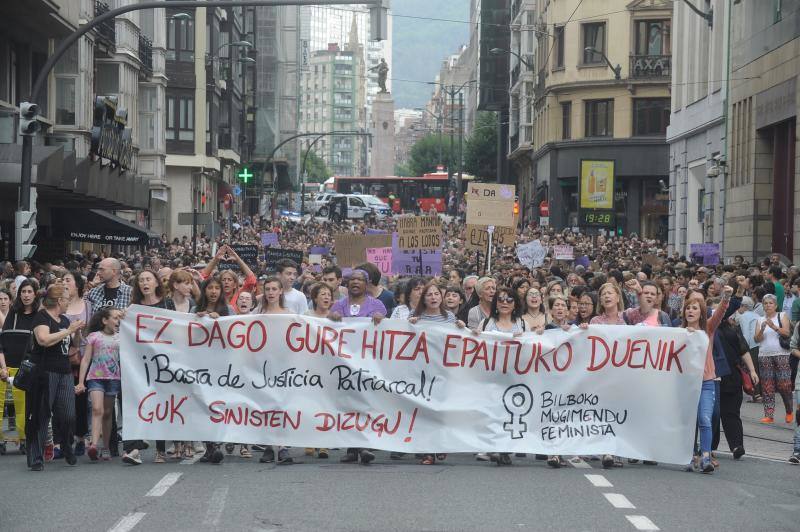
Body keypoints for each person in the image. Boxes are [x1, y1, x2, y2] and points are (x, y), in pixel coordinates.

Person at [329, 270, 385, 465]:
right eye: (352, 279)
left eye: (360, 280)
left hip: (367, 362)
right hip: (344, 363)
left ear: (367, 284)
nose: (355, 282)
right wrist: (332, 318)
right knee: (348, 404)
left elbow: (386, 330)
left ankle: (363, 444)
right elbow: (326, 327)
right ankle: (353, 448)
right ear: (347, 283)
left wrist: (381, 319)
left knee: (364, 403)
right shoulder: (338, 305)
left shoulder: (376, 305)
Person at [27, 284, 84, 471]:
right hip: (45, 372)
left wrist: (76, 333)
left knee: (68, 415)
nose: (69, 303)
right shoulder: (41, 317)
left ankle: (67, 445)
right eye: (67, 299)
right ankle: (36, 456)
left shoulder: (65, 320)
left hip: (64, 371)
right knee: (42, 414)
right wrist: (68, 331)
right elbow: (44, 340)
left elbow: (72, 348)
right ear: (59, 301)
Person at [408, 282, 464, 465]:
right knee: (425, 410)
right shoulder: (414, 316)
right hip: (421, 371)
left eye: (436, 294)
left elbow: (457, 342)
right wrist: (409, 326)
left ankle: (440, 445)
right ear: (423, 299)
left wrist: (461, 327)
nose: (433, 297)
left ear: (441, 298)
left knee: (441, 410)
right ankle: (427, 451)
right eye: (429, 295)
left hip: (443, 371)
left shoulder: (449, 317)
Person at [682, 286, 731, 474]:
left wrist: (725, 297)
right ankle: (687, 455)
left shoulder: (707, 329)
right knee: (687, 422)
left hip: (706, 383)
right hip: (685, 385)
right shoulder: (679, 332)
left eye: (695, 308)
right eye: (688, 308)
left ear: (701, 312)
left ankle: (705, 456)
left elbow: (719, 313)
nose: (691, 311)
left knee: (704, 419)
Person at [75, 308, 122, 462]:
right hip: (95, 377)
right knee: (97, 409)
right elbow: (86, 359)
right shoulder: (94, 337)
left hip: (113, 378)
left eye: (119, 318)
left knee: (108, 413)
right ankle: (94, 445)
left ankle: (106, 447)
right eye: (114, 318)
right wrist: (81, 382)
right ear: (104, 320)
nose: (117, 321)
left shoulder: (120, 338)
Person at [0, 279, 40, 455]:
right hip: (8, 366)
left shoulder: (40, 315)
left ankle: (24, 438)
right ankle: (2, 439)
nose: (26, 295)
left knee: (24, 406)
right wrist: (3, 366)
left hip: (30, 367)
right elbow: (3, 342)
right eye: (23, 292)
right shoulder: (13, 314)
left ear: (35, 294)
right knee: (3, 405)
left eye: (29, 291)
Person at [62, 271, 92, 458]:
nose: (64, 283)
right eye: (62, 280)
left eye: (68, 280)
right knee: (63, 401)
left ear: (78, 285)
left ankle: (81, 437)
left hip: (83, 357)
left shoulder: (88, 306)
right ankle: (64, 439)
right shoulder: (59, 305)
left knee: (81, 400)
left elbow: (94, 330)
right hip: (62, 356)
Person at [753, 293, 793, 424]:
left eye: (771, 303)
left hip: (782, 354)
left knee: (784, 385)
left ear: (776, 305)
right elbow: (756, 339)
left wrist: (774, 327)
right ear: (763, 306)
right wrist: (762, 329)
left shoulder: (782, 316)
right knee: (767, 386)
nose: (768, 305)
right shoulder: (759, 320)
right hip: (764, 355)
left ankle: (789, 410)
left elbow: (787, 333)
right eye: (765, 303)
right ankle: (769, 415)